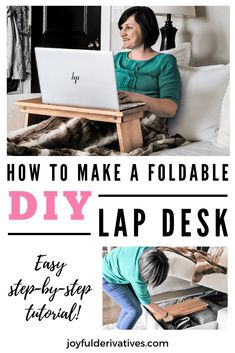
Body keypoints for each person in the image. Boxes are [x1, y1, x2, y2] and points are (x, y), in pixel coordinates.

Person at [115, 6, 181, 118]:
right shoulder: (116, 59)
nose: (122, 33)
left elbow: (171, 108)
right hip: (113, 118)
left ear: (145, 29)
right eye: (121, 28)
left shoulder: (165, 61)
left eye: (129, 27)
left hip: (146, 123)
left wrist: (138, 98)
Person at [103, 247, 174, 330]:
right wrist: (165, 315)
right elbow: (145, 301)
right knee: (135, 311)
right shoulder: (137, 276)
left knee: (131, 304)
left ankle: (119, 328)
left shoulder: (151, 251)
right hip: (106, 277)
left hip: (117, 266)